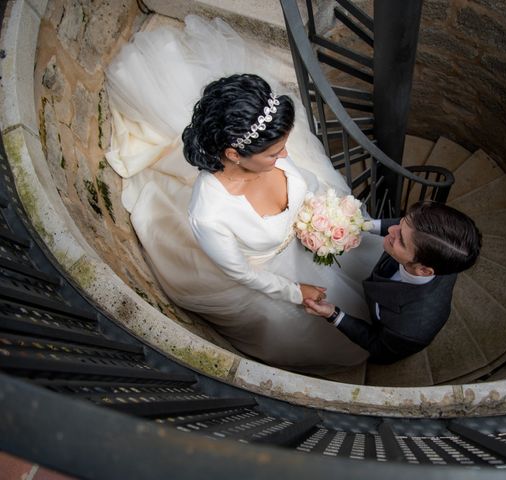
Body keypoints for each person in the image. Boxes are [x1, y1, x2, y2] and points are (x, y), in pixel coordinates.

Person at [105, 16, 383, 373]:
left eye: (283, 146)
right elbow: (244, 276)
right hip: (274, 273)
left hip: (311, 241)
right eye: (273, 153)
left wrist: (328, 217)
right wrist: (296, 292)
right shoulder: (209, 214)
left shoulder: (271, 159)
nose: (285, 156)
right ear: (235, 155)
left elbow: (307, 181)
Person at [303, 202, 482, 364]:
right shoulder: (431, 245)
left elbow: (379, 347)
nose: (391, 231)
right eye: (402, 222)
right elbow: (410, 230)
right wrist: (365, 225)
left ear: (424, 270)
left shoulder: (410, 329)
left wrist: (333, 314)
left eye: (401, 241)